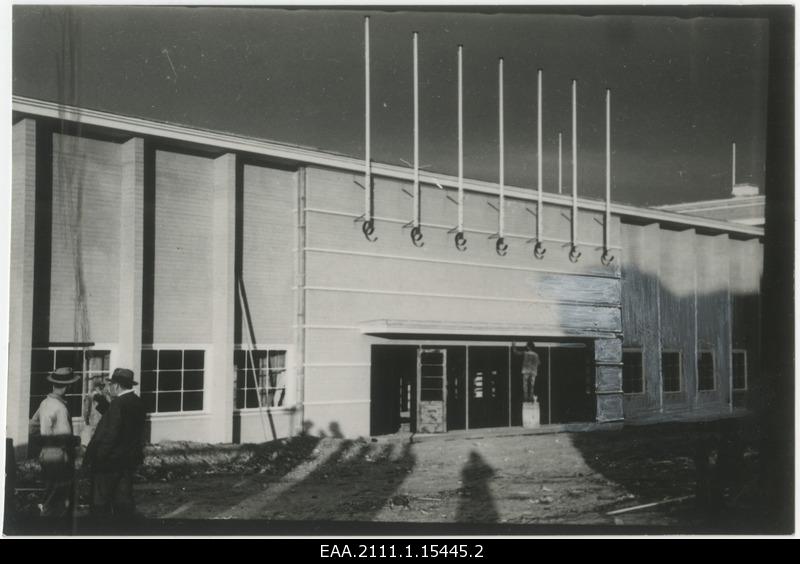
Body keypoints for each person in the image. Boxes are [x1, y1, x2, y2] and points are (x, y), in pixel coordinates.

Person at [84, 368, 146, 518]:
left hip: (109, 462)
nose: (109, 388)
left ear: (117, 386)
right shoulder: (137, 402)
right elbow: (123, 421)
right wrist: (102, 403)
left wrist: (97, 458)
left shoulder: (118, 404)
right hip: (127, 460)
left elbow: (112, 433)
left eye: (111, 385)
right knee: (123, 502)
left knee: (100, 503)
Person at [29, 366, 81, 518]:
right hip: (59, 455)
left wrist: (44, 440)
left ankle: (45, 518)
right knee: (58, 496)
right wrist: (75, 442)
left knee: (49, 490)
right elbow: (65, 436)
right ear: (67, 386)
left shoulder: (45, 403)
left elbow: (32, 427)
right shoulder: (61, 408)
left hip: (46, 453)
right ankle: (50, 526)